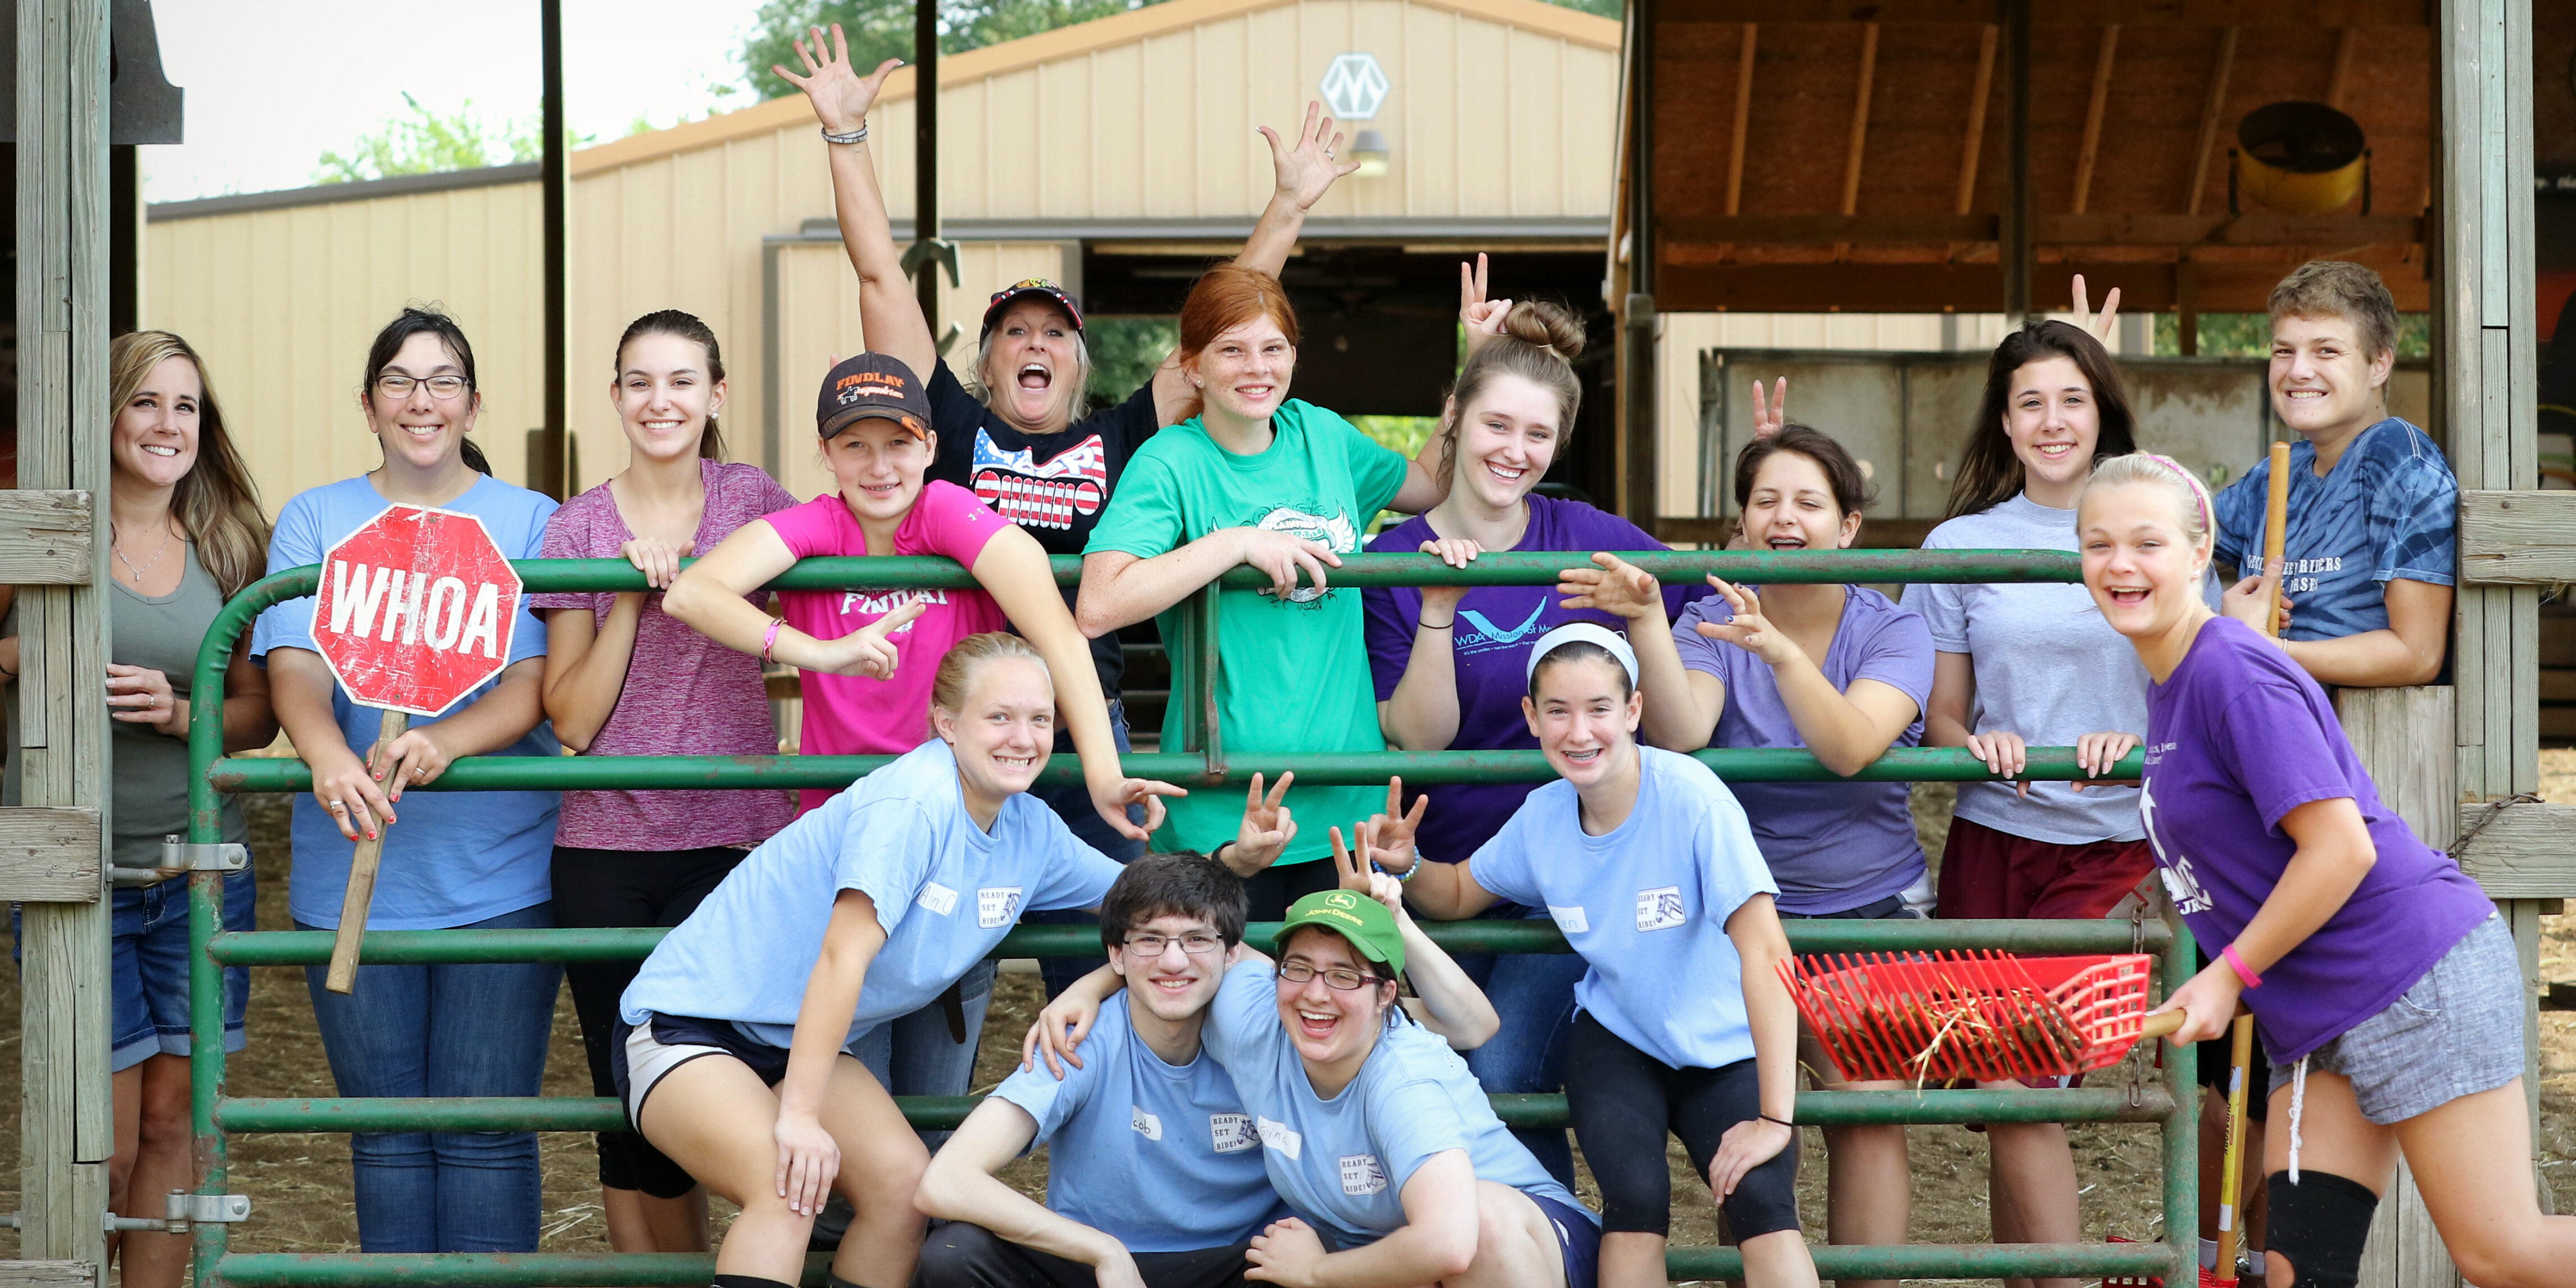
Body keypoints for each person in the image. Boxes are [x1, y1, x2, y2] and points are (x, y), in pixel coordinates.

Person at [778, 25, 1358, 995]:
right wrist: (846, 139)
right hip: (964, 726)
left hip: (1084, 727)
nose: (1032, 343)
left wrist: (1289, 204)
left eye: (1053, 331)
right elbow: (881, 278)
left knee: (1104, 943)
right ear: (988, 356)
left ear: (1077, 360)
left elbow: (1225, 323)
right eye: (1014, 332)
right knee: (935, 950)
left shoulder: (1129, 436)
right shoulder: (950, 433)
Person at [612, 635, 1295, 1288]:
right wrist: (800, 1116)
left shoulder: (1029, 828)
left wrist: (1228, 867)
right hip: (693, 1027)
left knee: (907, 1193)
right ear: (946, 722)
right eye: (998, 717)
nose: (1023, 738)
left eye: (1038, 719)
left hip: (791, 1039)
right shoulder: (913, 804)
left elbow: (1147, 910)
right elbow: (840, 958)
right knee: (788, 1185)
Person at [2087, 452, 2576, 1288]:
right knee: (2299, 1269)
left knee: (2503, 1253)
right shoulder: (2171, 683)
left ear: (2201, 555)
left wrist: (2229, 974)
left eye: (2147, 542)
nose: (2120, 564)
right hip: (2317, 1012)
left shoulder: (2230, 670)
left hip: (2411, 977)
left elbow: (2341, 848)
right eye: (2097, 545)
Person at [662, 347, 1171, 1132]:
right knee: (846, 1121)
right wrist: (818, 653)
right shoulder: (818, 525)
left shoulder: (947, 513)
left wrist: (1103, 773)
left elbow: (1058, 632)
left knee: (929, 1114)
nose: (878, 465)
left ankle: (916, 1237)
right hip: (850, 858)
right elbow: (694, 591)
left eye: (899, 442)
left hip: (955, 854)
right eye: (855, 445)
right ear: (826, 453)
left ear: (931, 449)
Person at [1362, 278, 1702, 1187]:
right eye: (1495, 425)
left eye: (1537, 434)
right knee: (1413, 1082)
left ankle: (1545, 1247)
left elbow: (1705, 592)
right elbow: (1421, 739)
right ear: (1455, 420)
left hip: (1561, 880)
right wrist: (1438, 610)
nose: (1513, 451)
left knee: (1505, 1071)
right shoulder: (1391, 559)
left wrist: (1658, 638)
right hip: (1431, 873)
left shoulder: (1581, 537)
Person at [251, 306, 563, 1254]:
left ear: (474, 403)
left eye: (442, 381)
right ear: (368, 402)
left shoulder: (531, 520)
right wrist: (324, 748)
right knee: (383, 1134)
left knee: (482, 1131)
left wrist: (452, 741)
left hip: (498, 873)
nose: (420, 400)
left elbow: (533, 683)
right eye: (399, 379)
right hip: (350, 869)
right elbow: (293, 660)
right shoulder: (317, 516)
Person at [1372, 624, 1816, 1288]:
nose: (1579, 733)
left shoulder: (1692, 797)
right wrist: (1407, 868)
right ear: (1532, 717)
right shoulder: (1544, 817)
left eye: (1599, 709)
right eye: (1557, 711)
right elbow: (1461, 889)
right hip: (1619, 1039)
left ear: (1634, 710)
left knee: (1759, 1200)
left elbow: (1766, 952)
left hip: (1725, 1043)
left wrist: (1776, 1118)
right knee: (1633, 1206)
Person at [0, 332, 274, 1286]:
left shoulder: (233, 538)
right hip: (78, 868)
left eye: (186, 406)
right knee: (102, 1140)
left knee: (175, 1125)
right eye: (146, 402)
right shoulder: (41, 529)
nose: (168, 424)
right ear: (107, 413)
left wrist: (182, 712)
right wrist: (20, 655)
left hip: (198, 868)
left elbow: (257, 714)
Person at [1631, 425, 1933, 1288]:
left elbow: (1848, 746)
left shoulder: (1892, 628)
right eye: (1766, 501)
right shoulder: (1706, 619)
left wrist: (1781, 652)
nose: (1784, 518)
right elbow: (1683, 730)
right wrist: (1658, 622)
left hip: (1867, 903)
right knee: (1746, 1106)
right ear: (1740, 525)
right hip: (1736, 912)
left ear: (1849, 526)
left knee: (1866, 1109)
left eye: (1808, 502)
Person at [530, 309, 801, 1255]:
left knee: (718, 1076)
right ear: (614, 397)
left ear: (715, 394)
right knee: (625, 1089)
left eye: (682, 381)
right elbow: (569, 719)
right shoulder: (578, 526)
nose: (661, 400)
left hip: (737, 841)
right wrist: (635, 597)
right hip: (607, 844)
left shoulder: (755, 500)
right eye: (640, 382)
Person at [1035, 841, 1598, 1288]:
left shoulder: (1399, 1073)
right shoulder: (1251, 1011)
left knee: (1484, 1226)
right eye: (1298, 968)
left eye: (1346, 975)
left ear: (1385, 995)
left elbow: (1451, 1240)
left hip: (1514, 1247)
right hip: (1382, 1251)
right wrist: (1094, 983)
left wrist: (1316, 1274)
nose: (1316, 994)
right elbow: (1189, 952)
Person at [1077, 265, 1449, 916]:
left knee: (1333, 1004)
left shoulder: (1323, 436)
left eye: (1273, 348)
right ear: (1192, 367)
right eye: (1232, 349)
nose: (1257, 368)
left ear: (1294, 357)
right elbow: (1099, 603)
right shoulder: (1171, 461)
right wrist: (1235, 545)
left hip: (1342, 803)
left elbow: (1430, 485)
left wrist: (1471, 381)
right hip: (1222, 811)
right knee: (1221, 1009)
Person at [1905, 319, 2153, 1288]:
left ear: (2101, 415)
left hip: (2109, 851)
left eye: (2071, 399)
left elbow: (2194, 687)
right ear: (2003, 424)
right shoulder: (1957, 544)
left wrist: (2136, 744)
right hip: (1988, 843)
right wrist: (1975, 744)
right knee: (2006, 1094)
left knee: (2019, 1076)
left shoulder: (2153, 526)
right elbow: (1939, 719)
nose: (2052, 421)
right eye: (2030, 402)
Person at [914, 851, 1290, 1288]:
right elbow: (943, 1181)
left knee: (1316, 1256)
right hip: (1099, 1266)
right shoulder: (1080, 1040)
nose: (1173, 961)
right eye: (1150, 940)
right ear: (1116, 954)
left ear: (1231, 955)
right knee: (954, 1256)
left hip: (1235, 1259)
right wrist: (1102, 1250)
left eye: (1196, 939)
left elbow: (1327, 993)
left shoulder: (1268, 1028)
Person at [2211, 260, 2455, 688]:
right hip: (2263, 734)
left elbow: (2418, 654)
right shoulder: (2272, 476)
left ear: (2379, 364)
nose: (2298, 370)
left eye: (2327, 351)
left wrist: (2267, 649)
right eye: (2284, 351)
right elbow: (2162, 544)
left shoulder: (2400, 464)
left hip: (2361, 747)